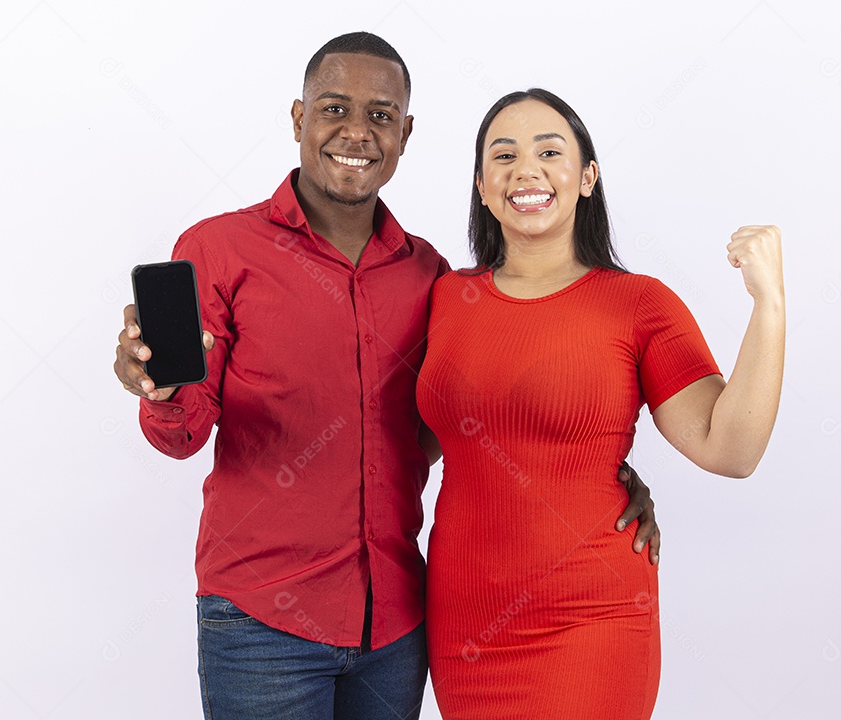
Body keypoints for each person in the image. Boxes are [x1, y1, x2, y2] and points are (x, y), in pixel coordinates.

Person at [113, 36, 662, 719]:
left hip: (396, 625)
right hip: (261, 624)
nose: (356, 132)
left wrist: (606, 474)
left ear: (404, 133)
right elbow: (181, 435)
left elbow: (469, 416)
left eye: (380, 116)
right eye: (334, 108)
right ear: (297, 119)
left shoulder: (432, 278)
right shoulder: (220, 249)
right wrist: (159, 390)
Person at [417, 88, 784, 720]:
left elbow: (731, 449)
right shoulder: (447, 297)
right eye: (503, 156)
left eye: (549, 151)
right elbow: (421, 441)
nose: (525, 170)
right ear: (482, 186)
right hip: (463, 622)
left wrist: (769, 305)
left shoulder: (638, 303)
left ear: (587, 176)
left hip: (592, 617)